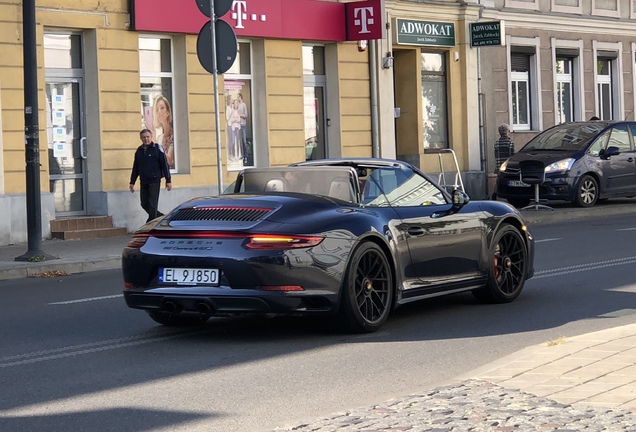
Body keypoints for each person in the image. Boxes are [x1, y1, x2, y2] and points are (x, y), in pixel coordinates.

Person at [129, 129, 172, 223]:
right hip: (144, 180)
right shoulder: (139, 151)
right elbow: (135, 167)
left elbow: (165, 165)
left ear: (151, 137)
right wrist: (132, 182)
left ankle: (149, 225)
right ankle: (163, 218)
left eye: (148, 137)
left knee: (152, 205)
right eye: (144, 137)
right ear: (141, 138)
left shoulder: (157, 149)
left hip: (154, 180)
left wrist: (168, 180)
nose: (146, 139)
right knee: (144, 203)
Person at [145, 94, 175, 169]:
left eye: (162, 108)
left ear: (168, 110)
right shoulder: (160, 138)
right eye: (157, 109)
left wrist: (154, 140)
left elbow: (169, 161)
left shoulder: (174, 135)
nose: (159, 112)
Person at [492, 123, 515, 200]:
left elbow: (495, 154)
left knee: (498, 179)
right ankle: (509, 194)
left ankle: (495, 193)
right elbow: (512, 155)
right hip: (507, 165)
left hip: (498, 164)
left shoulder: (497, 143)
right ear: (508, 132)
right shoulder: (510, 142)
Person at [237, 93, 249, 164]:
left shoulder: (243, 105)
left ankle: (246, 156)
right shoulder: (237, 105)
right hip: (237, 125)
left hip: (243, 125)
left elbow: (246, 115)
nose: (238, 98)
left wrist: (240, 115)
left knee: (244, 141)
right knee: (240, 141)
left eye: (238, 97)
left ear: (241, 97)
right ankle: (241, 155)